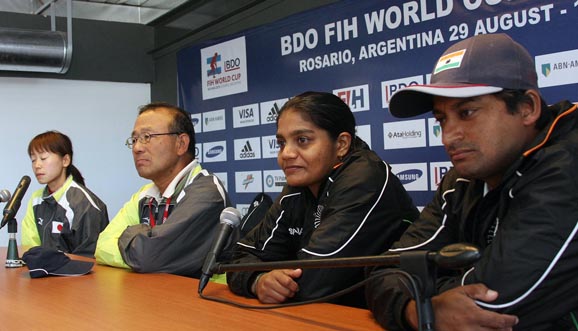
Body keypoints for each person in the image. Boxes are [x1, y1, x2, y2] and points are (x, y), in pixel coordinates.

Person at [366, 33, 578, 330]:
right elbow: (383, 271)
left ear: (527, 108)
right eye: (442, 119)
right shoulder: (462, 179)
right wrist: (417, 312)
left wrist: (427, 294)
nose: (449, 136)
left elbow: (497, 303)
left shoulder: (568, 164)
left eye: (467, 113)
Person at [227, 91, 419, 308]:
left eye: (302, 140)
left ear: (341, 145)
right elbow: (238, 259)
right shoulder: (299, 184)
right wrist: (258, 280)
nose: (287, 154)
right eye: (282, 143)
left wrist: (276, 281)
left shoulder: (365, 177)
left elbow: (313, 281)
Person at [95, 102, 232, 278]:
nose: (137, 148)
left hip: (202, 301)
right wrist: (141, 245)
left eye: (147, 136)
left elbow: (148, 256)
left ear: (181, 144)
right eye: (135, 139)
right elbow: (102, 245)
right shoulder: (145, 194)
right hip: (158, 295)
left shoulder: (207, 193)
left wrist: (134, 235)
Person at [21, 130, 109, 257]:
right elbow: (30, 247)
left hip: (77, 274)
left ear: (65, 160)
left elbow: (89, 259)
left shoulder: (84, 204)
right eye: (33, 160)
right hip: (43, 272)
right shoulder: (36, 199)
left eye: (43, 158)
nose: (37, 165)